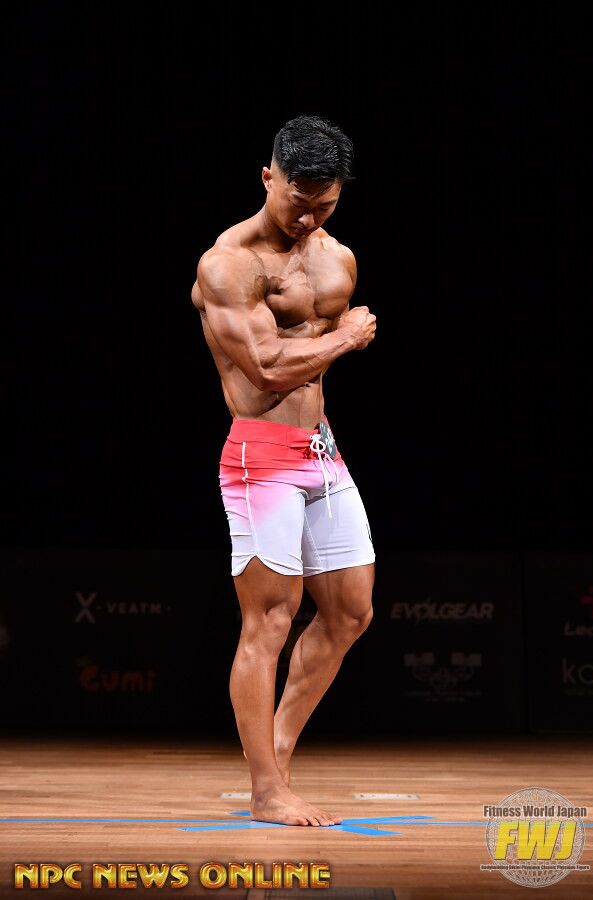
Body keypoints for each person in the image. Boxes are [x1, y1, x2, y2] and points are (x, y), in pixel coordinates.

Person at [191, 115, 376, 827]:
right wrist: (347, 338)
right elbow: (267, 369)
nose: (306, 218)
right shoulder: (228, 264)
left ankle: (277, 750)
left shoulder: (338, 259)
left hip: (321, 452)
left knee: (351, 611)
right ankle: (267, 792)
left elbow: (307, 360)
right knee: (269, 620)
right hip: (259, 453)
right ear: (268, 177)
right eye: (297, 200)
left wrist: (333, 339)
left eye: (323, 205)